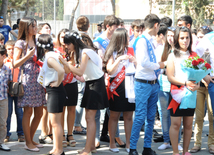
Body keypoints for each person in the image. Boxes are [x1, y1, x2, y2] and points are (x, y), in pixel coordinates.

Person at [59, 31, 109, 155]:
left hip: (96, 84)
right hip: (91, 83)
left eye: (67, 44)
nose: (66, 47)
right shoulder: (81, 52)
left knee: (90, 118)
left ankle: (87, 150)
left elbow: (80, 71)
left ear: (73, 43)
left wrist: (66, 64)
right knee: (89, 118)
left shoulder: (85, 52)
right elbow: (81, 73)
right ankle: (90, 146)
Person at [129, 14, 165, 155]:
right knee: (140, 116)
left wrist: (159, 67)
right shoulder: (142, 41)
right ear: (156, 25)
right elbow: (144, 63)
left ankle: (147, 147)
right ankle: (132, 148)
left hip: (153, 83)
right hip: (143, 84)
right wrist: (160, 65)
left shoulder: (150, 40)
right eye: (159, 27)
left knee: (150, 117)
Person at [13, 17, 46, 152]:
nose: (35, 28)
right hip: (27, 80)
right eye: (33, 26)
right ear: (26, 28)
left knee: (39, 112)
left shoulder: (38, 41)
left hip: (39, 79)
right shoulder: (20, 43)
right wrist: (28, 55)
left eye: (35, 25)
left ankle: (31, 139)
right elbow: (15, 64)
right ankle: (28, 142)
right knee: (28, 111)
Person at [167, 26, 200, 155]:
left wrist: (197, 85)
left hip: (191, 93)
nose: (185, 40)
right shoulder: (172, 55)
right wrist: (185, 83)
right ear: (177, 39)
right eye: (182, 38)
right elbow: (170, 77)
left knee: (188, 125)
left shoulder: (194, 55)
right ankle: (175, 152)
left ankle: (186, 151)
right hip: (176, 93)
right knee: (175, 124)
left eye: (187, 38)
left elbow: (198, 75)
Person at [103, 28, 136, 153]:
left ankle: (128, 144)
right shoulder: (112, 51)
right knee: (114, 115)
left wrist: (134, 61)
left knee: (128, 115)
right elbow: (110, 70)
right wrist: (119, 59)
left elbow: (138, 66)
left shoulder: (131, 50)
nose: (128, 39)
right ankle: (112, 143)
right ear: (120, 38)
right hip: (116, 86)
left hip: (130, 84)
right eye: (126, 37)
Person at [37, 34, 66, 155]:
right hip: (53, 91)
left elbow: (62, 71)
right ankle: (56, 148)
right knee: (55, 123)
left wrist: (58, 82)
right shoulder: (55, 55)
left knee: (55, 123)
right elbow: (65, 68)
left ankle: (58, 150)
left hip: (55, 90)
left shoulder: (49, 58)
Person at [190, 26, 214, 154]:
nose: (200, 40)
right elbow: (193, 65)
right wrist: (203, 76)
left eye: (202, 37)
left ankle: (211, 144)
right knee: (198, 116)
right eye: (199, 37)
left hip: (211, 85)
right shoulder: (196, 52)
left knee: (211, 116)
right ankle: (197, 143)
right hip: (199, 85)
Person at [3, 40, 25, 143]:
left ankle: (21, 133)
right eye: (9, 49)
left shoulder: (20, 61)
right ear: (6, 50)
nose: (11, 51)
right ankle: (6, 134)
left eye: (13, 49)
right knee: (8, 113)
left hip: (19, 90)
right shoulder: (4, 61)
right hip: (7, 90)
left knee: (20, 113)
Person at [0, 45, 12, 152]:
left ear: (3, 56)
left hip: (3, 98)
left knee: (3, 122)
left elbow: (9, 83)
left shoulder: (7, 70)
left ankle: (1, 142)